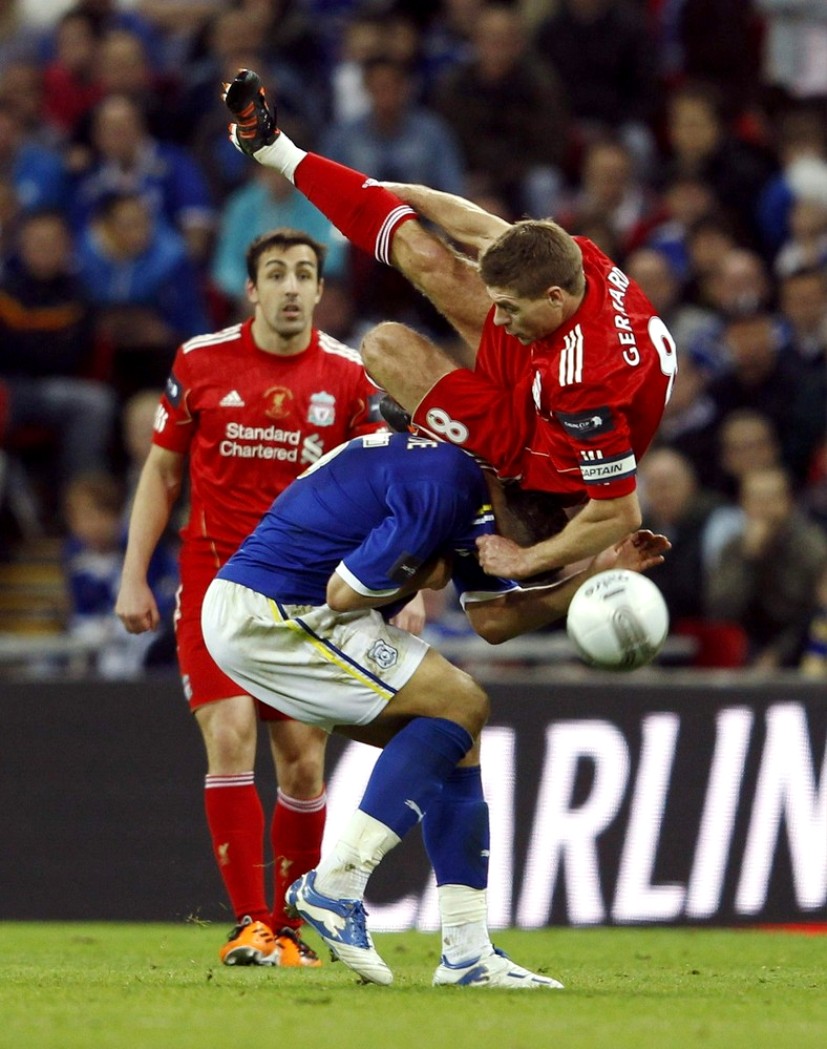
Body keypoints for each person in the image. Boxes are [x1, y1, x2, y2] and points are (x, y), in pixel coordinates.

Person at [201, 429, 669, 987]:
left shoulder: (477, 498)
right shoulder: (442, 481)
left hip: (283, 611)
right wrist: (433, 569)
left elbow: (494, 621)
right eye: (551, 508)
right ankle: (336, 884)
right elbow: (343, 594)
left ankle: (468, 953)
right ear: (515, 484)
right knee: (461, 701)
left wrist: (592, 577)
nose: (555, 527)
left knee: (457, 734)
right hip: (274, 611)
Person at [223, 69, 677, 582]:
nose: (496, 319)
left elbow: (620, 512)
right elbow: (485, 232)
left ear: (554, 299)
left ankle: (470, 458)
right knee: (430, 259)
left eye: (509, 309)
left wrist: (525, 559)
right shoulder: (576, 260)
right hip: (547, 372)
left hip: (540, 451)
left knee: (384, 346)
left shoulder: (587, 383)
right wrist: (404, 195)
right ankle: (274, 149)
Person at [115, 227, 408, 967]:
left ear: (321, 290)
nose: (290, 286)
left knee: (303, 760)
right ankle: (249, 922)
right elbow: (162, 473)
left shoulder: (348, 376)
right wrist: (133, 572)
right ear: (251, 290)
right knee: (230, 732)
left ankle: (287, 929)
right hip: (214, 581)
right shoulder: (200, 361)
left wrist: (397, 583)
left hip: (305, 591)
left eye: (304, 273)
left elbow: (381, 488)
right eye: (275, 273)